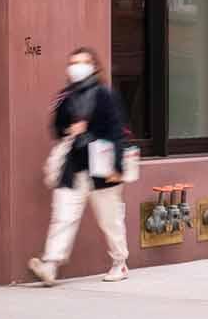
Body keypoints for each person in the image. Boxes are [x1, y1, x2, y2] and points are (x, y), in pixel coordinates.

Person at [29, 47, 131, 285]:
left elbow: (117, 130)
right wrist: (69, 127)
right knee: (63, 217)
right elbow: (56, 129)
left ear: (94, 66)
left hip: (102, 168)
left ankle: (120, 262)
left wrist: (117, 166)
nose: (77, 67)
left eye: (83, 62)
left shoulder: (105, 95)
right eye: (73, 62)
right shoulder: (65, 97)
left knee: (110, 219)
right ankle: (50, 265)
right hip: (73, 167)